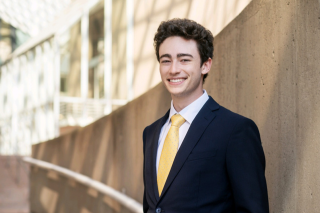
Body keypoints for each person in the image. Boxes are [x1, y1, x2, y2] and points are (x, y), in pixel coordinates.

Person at [142, 18, 269, 213]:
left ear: (205, 65)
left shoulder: (235, 130)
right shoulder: (150, 133)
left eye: (184, 59)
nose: (173, 69)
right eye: (166, 60)